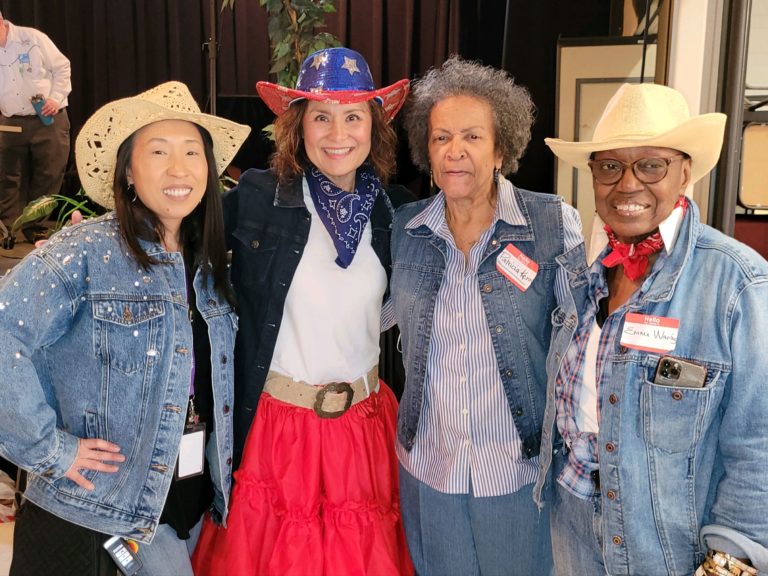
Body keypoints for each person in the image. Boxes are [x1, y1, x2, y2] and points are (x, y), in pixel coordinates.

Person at [0, 81, 250, 575]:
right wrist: (50, 449)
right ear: (129, 172)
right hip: (109, 510)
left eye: (191, 152)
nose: (179, 169)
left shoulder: (210, 266)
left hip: (193, 502)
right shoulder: (85, 252)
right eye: (158, 151)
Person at [191, 47, 414, 575]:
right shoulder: (259, 197)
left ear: (374, 128)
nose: (338, 133)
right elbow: (178, 238)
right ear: (299, 127)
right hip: (278, 432)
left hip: (364, 431)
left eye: (353, 116)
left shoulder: (394, 211)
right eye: (321, 116)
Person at [534, 82, 768, 575]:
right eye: (610, 166)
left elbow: (759, 441)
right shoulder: (578, 271)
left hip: (668, 547)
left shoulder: (736, 284)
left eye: (651, 165)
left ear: (684, 172)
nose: (628, 184)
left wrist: (730, 562)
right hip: (572, 526)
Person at [389, 56, 582, 575]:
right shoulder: (405, 230)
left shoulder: (551, 224)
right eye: (441, 138)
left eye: (472, 137)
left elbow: (585, 342)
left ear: (501, 149)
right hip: (429, 471)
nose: (455, 152)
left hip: (518, 476)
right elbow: (377, 322)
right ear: (426, 151)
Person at [0, 10, 71, 241]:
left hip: (47, 118)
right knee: (8, 175)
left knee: (48, 172)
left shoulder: (32, 38)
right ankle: (8, 228)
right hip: (10, 121)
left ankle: (35, 226)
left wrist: (55, 98)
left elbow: (62, 67)